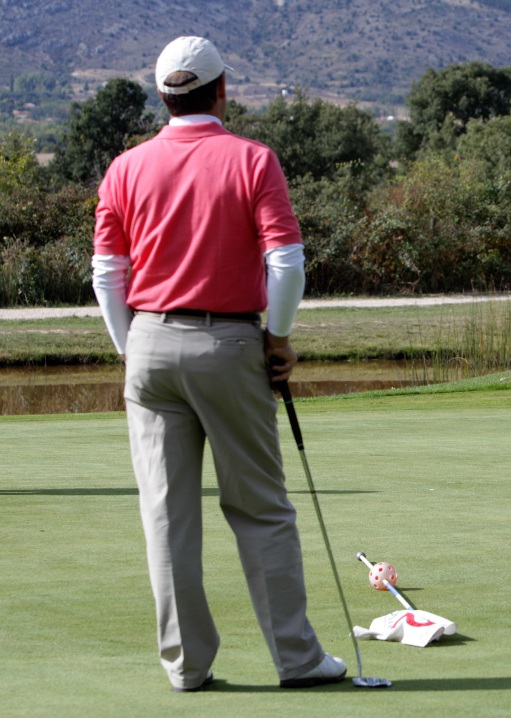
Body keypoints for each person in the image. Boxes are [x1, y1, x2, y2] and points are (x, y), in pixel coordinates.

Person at [92, 36, 346, 691]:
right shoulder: (252, 160)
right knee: (260, 509)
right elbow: (286, 262)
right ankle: (296, 659)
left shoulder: (124, 167)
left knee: (167, 516)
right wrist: (279, 339)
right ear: (222, 90)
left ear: (163, 95)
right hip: (228, 342)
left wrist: (133, 351)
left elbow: (107, 273)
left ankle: (186, 666)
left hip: (147, 346)